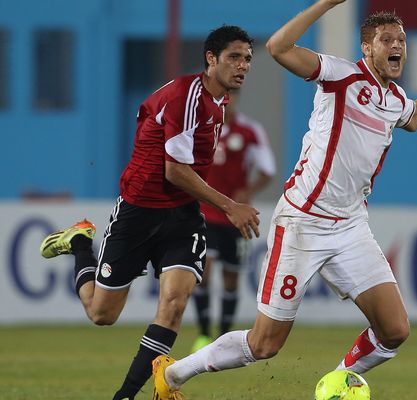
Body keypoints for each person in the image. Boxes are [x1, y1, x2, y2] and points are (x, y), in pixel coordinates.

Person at [151, 1, 417, 398]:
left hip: (350, 226)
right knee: (264, 345)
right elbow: (278, 47)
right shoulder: (342, 75)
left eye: (402, 40)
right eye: (387, 39)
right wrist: (327, 3)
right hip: (302, 222)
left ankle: (337, 380)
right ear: (367, 49)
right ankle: (171, 375)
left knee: (395, 330)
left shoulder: (394, 99)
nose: (397, 45)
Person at [39, 25, 260, 400]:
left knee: (173, 305)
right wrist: (230, 205)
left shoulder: (218, 102)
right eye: (234, 57)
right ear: (211, 59)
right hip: (139, 212)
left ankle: (126, 395)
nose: (243, 66)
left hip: (183, 216)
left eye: (248, 59)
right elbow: (173, 170)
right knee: (102, 314)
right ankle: (79, 242)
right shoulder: (185, 97)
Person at [191, 89, 276, 351]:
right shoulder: (200, 128)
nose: (227, 103)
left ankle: (222, 339)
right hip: (205, 212)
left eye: (232, 98)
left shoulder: (250, 131)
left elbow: (268, 170)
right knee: (204, 272)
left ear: (237, 99)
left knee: (231, 277)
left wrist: (248, 191)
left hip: (236, 217)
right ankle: (204, 334)